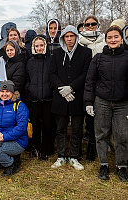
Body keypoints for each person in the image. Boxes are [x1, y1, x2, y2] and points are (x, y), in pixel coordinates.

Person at [84, 26, 128, 182]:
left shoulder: (127, 57)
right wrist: (89, 102)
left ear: (121, 39)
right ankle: (103, 165)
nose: (113, 40)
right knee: (101, 135)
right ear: (106, 39)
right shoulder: (99, 58)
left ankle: (122, 167)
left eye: (116, 37)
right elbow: (90, 81)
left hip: (122, 104)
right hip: (101, 102)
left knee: (122, 136)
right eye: (110, 37)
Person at [50, 25, 92, 170]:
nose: (69, 39)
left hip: (77, 96)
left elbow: (86, 74)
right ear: (63, 38)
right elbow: (52, 74)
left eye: (71, 36)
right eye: (66, 37)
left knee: (76, 128)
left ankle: (74, 156)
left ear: (76, 36)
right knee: (60, 128)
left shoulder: (86, 52)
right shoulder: (56, 53)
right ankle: (61, 155)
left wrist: (71, 87)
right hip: (60, 96)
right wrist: (62, 89)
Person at [0, 80, 29, 176]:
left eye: (7, 91)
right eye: (2, 91)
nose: (4, 94)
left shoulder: (20, 106)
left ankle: (12, 164)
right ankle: (10, 158)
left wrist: (5, 137)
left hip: (17, 141)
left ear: (13, 93)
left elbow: (21, 128)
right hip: (0, 139)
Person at [78, 15, 106, 162]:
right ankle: (84, 145)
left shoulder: (104, 41)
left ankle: (93, 146)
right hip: (82, 82)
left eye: (93, 24)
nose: (90, 26)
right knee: (83, 114)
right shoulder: (80, 41)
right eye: (87, 24)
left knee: (95, 116)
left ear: (97, 25)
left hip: (100, 83)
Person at [25, 35, 52, 160]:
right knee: (35, 124)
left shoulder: (50, 60)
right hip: (34, 98)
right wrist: (29, 89)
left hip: (47, 98)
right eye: (37, 46)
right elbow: (27, 78)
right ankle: (35, 147)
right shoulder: (30, 61)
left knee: (48, 125)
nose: (39, 48)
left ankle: (46, 149)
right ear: (33, 47)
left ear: (45, 46)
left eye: (41, 45)